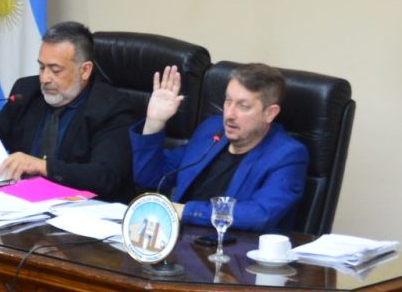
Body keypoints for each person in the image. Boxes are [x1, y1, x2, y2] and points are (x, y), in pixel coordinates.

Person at [0, 21, 142, 198]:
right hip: (21, 208)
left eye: (55, 70)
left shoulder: (111, 107)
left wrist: (42, 166)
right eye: (42, 67)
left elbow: (106, 176)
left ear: (85, 70)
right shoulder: (27, 92)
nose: (44, 78)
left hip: (81, 217)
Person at [130, 61, 308, 234]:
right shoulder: (212, 130)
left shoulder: (287, 155)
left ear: (270, 113)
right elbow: (150, 178)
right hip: (175, 239)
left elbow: (259, 215)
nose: (229, 114)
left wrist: (184, 211)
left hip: (234, 249)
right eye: (228, 101)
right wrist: (154, 122)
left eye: (243, 106)